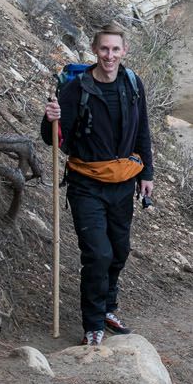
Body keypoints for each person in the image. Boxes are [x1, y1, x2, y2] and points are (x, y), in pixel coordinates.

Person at [42, 22, 154, 347]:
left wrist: (147, 174)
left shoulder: (133, 84)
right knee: (98, 254)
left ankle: (108, 308)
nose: (109, 55)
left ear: (124, 51)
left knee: (119, 251)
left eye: (115, 49)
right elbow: (51, 139)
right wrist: (49, 119)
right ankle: (92, 324)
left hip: (123, 183)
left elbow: (143, 130)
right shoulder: (76, 89)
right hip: (86, 184)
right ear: (94, 50)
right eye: (104, 48)